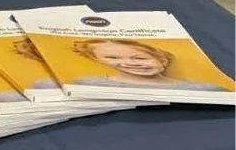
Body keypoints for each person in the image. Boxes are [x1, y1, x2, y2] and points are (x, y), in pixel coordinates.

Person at [71, 39, 228, 92]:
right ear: (98, 60)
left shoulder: (207, 89)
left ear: (163, 60)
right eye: (112, 57)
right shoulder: (86, 84)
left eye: (140, 58)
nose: (128, 63)